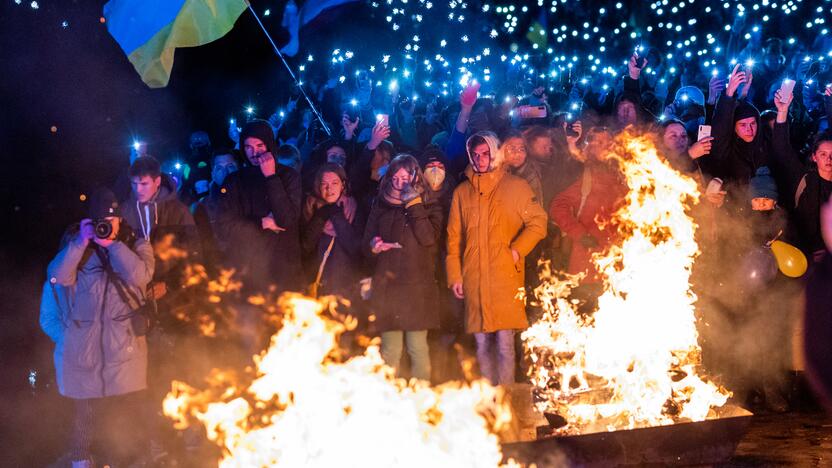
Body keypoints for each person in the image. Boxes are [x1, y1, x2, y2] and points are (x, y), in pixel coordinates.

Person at [42, 189, 154, 468]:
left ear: (120, 219)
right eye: (101, 220)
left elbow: (141, 277)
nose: (107, 224)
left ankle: (120, 461)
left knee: (121, 423)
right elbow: (57, 277)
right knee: (84, 420)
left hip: (123, 352)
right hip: (84, 354)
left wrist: (113, 245)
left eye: (112, 219)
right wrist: (82, 241)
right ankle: (81, 462)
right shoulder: (78, 248)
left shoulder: (135, 243)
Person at [446, 131, 548, 385]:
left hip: (505, 277)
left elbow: (539, 223)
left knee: (504, 345)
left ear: (494, 152)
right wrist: (455, 274)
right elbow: (453, 238)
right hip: (475, 277)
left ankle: (508, 399)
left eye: (485, 153)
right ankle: (490, 403)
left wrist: (516, 250)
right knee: (481, 345)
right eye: (475, 154)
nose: (480, 159)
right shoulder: (462, 192)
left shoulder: (516, 187)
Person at [363, 154, 443, 381]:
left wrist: (413, 203)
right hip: (388, 286)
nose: (400, 183)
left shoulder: (430, 205)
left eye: (405, 178)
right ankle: (391, 403)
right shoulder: (380, 204)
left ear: (416, 177)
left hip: (417, 287)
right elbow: (365, 244)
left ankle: (422, 403)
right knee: (390, 351)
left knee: (417, 347)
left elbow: (428, 239)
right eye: (395, 178)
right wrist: (374, 247)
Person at [217, 119, 303, 293]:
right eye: (248, 147)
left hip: (284, 271)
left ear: (270, 144)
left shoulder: (288, 176)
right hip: (249, 272)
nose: (254, 153)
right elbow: (225, 225)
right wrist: (261, 223)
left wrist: (271, 177)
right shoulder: (234, 181)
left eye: (260, 145)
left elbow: (287, 220)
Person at [549, 127, 627, 308]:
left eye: (606, 142)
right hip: (586, 265)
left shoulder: (624, 174)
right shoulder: (583, 174)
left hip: (618, 266)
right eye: (596, 142)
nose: (602, 146)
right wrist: (580, 235)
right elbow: (557, 206)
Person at [771, 88, 832, 262]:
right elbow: (781, 149)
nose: (829, 159)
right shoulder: (803, 179)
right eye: (823, 154)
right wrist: (782, 111)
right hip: (802, 257)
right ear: (814, 157)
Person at [301, 163, 363, 299]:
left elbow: (354, 248)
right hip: (316, 282)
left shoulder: (353, 207)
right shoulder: (311, 206)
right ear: (318, 186)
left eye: (335, 183)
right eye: (324, 184)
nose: (329, 188)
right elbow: (306, 246)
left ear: (343, 184)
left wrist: (337, 217)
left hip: (344, 285)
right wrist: (320, 216)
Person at [192, 150, 239, 269]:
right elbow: (202, 246)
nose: (225, 172)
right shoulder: (203, 207)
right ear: (213, 173)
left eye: (230, 166)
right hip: (221, 274)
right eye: (219, 168)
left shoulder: (252, 198)